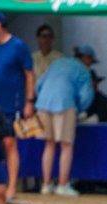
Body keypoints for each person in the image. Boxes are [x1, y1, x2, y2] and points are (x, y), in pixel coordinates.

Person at [0, 11, 34, 199]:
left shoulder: (18, 46)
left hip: (10, 103)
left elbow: (29, 73)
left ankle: (12, 186)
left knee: (9, 143)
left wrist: (29, 101)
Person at [35, 56, 93, 196]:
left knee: (49, 145)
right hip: (65, 103)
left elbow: (39, 85)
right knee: (66, 145)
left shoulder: (56, 62)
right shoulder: (83, 71)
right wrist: (78, 109)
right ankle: (62, 185)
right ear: (87, 59)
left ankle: (46, 185)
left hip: (43, 103)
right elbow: (86, 95)